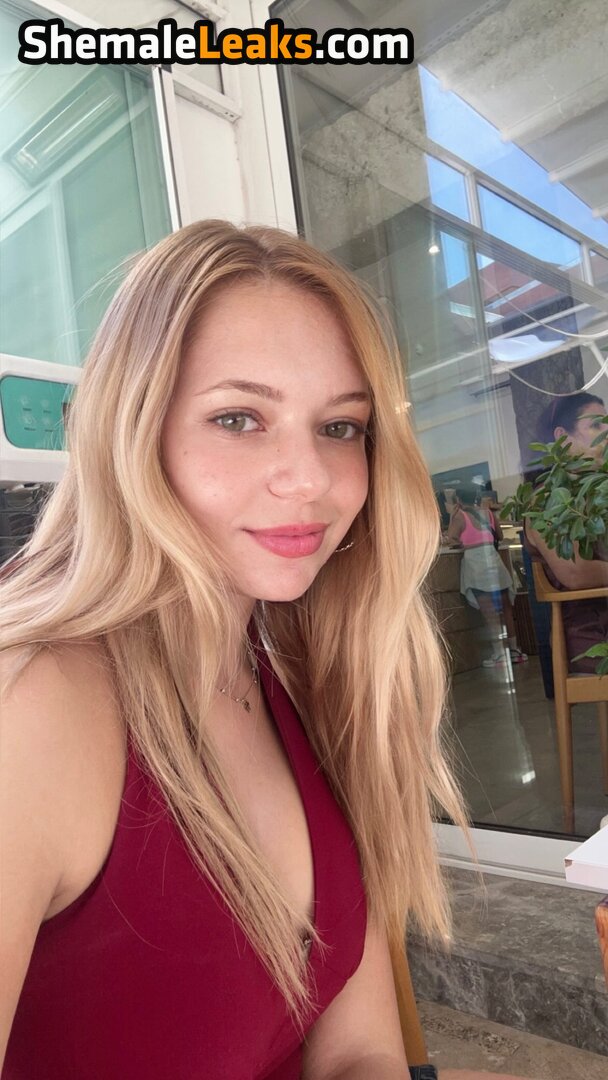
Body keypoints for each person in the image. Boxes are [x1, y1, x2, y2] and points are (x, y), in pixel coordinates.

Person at [0, 220, 525, 1080]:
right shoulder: (31, 710)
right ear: (132, 431)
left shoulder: (305, 674)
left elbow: (358, 1049)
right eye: (239, 418)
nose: (310, 478)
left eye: (340, 427)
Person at [525, 392, 608, 673]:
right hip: (591, 634)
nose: (606, 435)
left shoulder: (595, 495)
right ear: (562, 437)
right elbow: (575, 574)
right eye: (595, 426)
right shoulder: (544, 500)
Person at [447, 487, 528, 668]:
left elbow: (452, 538)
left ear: (458, 499)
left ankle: (499, 654)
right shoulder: (488, 513)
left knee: (489, 612)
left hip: (476, 565)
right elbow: (499, 535)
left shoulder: (460, 516)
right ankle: (514, 651)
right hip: (494, 560)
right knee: (506, 608)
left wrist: (453, 516)